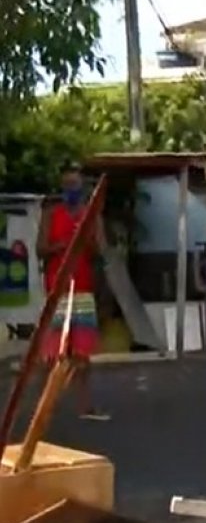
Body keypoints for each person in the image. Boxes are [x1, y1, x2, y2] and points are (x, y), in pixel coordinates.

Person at [37, 161, 107, 420]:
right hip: (58, 287)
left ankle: (85, 405)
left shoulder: (91, 214)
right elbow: (40, 248)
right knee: (53, 350)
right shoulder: (51, 213)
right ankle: (46, 405)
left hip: (83, 287)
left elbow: (100, 250)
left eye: (75, 185)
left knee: (82, 351)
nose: (71, 189)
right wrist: (63, 245)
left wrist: (86, 237)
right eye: (67, 185)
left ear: (83, 187)